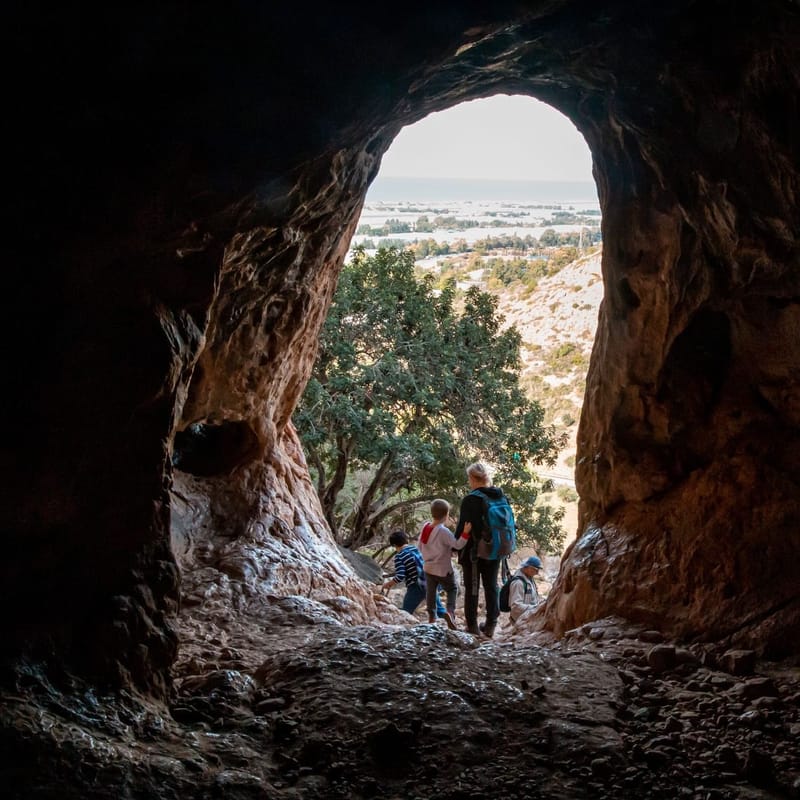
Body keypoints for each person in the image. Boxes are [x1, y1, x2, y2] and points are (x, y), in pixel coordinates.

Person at [454, 461, 512, 638]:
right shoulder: (501, 496)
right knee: (491, 586)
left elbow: (464, 526)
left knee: (472, 587)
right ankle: (491, 624)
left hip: (473, 551)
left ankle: (471, 626)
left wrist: (455, 545)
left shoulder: (471, 499)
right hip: (495, 549)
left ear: (472, 478)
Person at [418, 498, 471, 629]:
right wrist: (465, 533)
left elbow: (419, 547)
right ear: (446, 515)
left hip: (428, 567)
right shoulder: (443, 531)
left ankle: (431, 616)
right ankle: (450, 612)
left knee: (431, 591)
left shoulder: (425, 527)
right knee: (452, 588)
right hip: (442, 569)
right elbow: (457, 545)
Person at [382, 530, 447, 619]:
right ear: (406, 541)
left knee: (405, 612)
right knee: (439, 609)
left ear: (394, 545)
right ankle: (450, 622)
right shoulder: (416, 549)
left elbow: (400, 576)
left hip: (416, 586)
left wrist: (388, 584)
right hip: (431, 581)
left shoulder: (399, 556)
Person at [508, 555, 543, 624]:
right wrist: (535, 608)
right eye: (536, 570)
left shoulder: (529, 578)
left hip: (528, 616)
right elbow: (516, 606)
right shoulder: (518, 583)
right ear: (529, 568)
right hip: (521, 621)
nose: (537, 573)